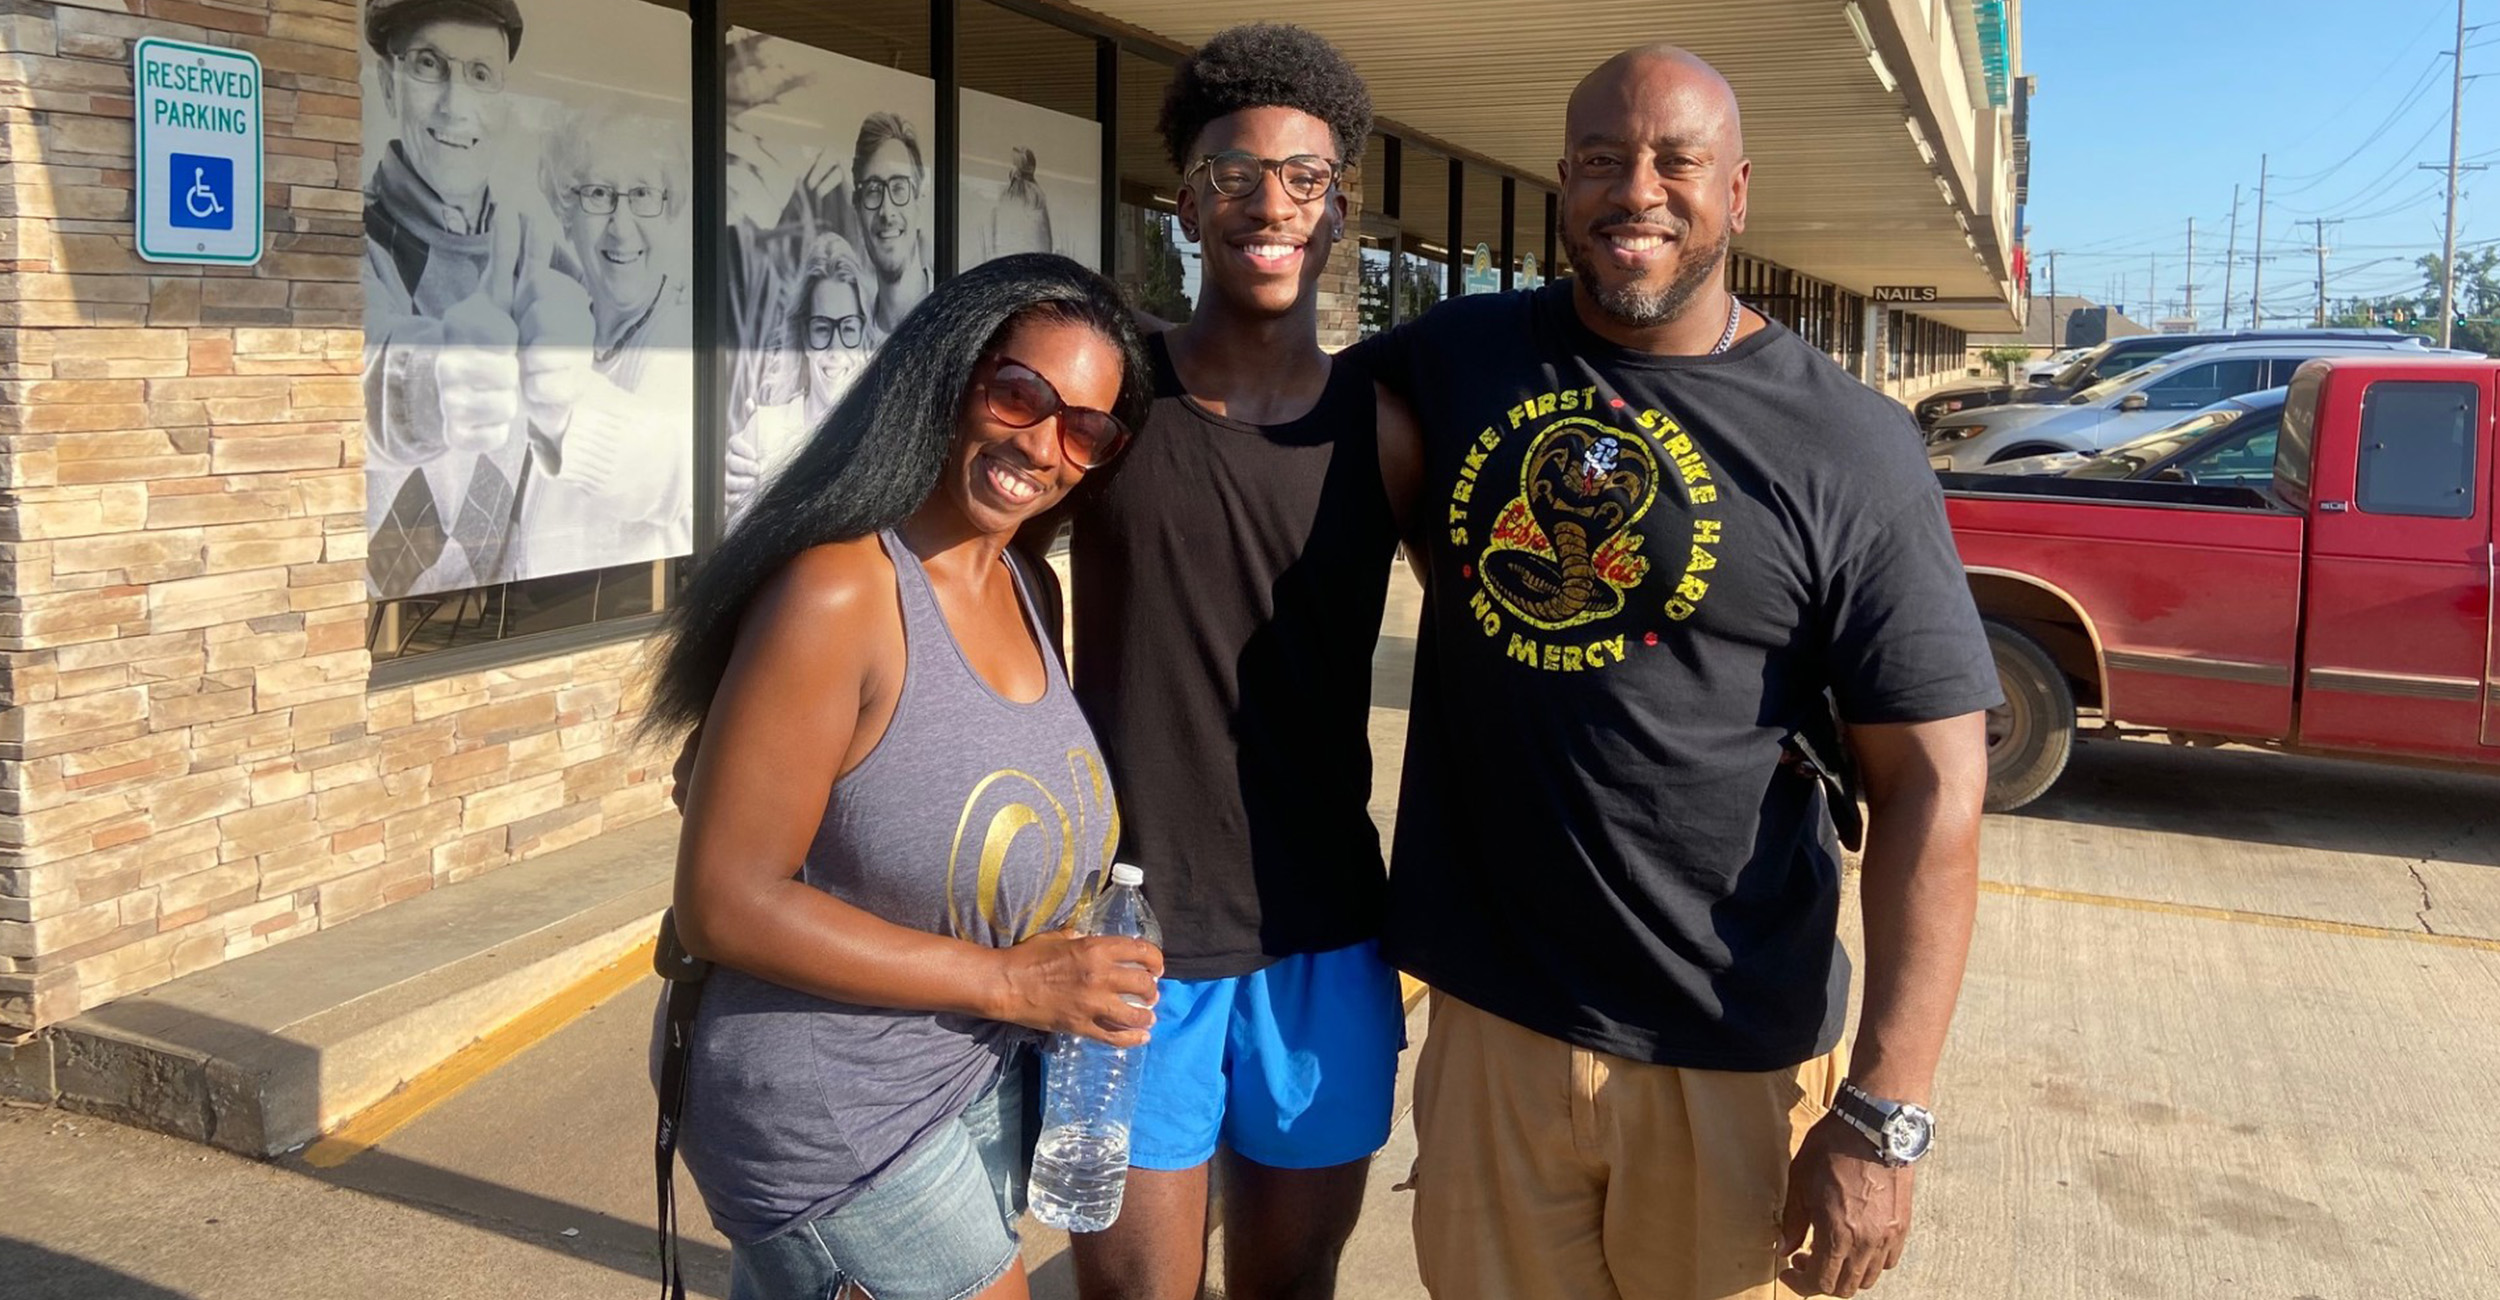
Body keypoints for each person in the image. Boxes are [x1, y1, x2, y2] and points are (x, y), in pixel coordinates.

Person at [1351, 44, 1998, 1300]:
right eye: (1601, 160)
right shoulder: (1459, 359)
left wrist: (1887, 1110)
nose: (1633, 189)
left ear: (1737, 193)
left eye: (1674, 161)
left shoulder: (1847, 444)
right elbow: (1257, 426)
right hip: (1494, 1028)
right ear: (1560, 183)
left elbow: (1932, 784)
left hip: (1728, 1050)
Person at [648, 254, 1160, 1300]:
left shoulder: (1027, 586)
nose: (1041, 444)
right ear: (952, 375)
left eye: (1085, 429)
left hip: (965, 1077)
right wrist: (1015, 982)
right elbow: (725, 903)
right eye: (1019, 393)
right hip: (834, 1109)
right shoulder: (840, 590)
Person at [1051, 25, 1416, 1300]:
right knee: (1129, 1292)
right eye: (1235, 175)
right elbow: (951, 549)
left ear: (1338, 213)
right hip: (1125, 940)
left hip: (1324, 931)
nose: (1271, 205)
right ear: (1186, 201)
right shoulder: (1113, 396)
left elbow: (1516, 637)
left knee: (1289, 1284)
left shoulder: (1384, 427)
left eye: (1305, 179)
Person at [359, 0, 594, 598]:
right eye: (429, 66)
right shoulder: (351, 246)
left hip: (509, 616)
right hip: (377, 636)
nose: (456, 105)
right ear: (389, 84)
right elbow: (354, 376)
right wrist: (432, 386)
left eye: (481, 76)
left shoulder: (536, 243)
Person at [526, 110, 695, 570]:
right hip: (539, 616)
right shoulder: (574, 324)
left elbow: (666, 466)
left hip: (634, 613)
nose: (621, 227)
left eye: (642, 195)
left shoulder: (684, 333)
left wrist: (556, 403)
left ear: (671, 210)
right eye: (599, 194)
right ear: (566, 213)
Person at [724, 231, 876, 523]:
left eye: (848, 328)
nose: (835, 348)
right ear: (805, 338)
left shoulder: (884, 436)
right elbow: (738, 542)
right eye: (822, 328)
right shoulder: (763, 432)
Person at [853, 110, 933, 336]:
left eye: (899, 188)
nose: (886, 212)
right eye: (873, 190)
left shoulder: (954, 316)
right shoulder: (851, 340)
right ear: (857, 210)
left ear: (920, 202)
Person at [985, 146, 1056, 262]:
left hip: (1006, 268)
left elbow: (994, 243)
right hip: (1035, 269)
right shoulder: (1038, 198)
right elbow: (1048, 244)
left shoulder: (1003, 198)